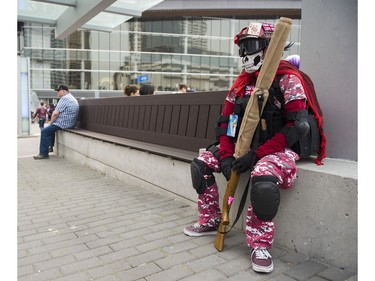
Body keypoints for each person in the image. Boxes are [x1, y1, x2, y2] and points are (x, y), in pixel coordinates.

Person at [183, 22, 326, 274]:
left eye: (250, 46)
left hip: (278, 149)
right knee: (201, 164)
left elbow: (295, 126)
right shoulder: (240, 84)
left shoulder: (288, 79)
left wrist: (257, 155)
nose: (245, 54)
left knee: (263, 179)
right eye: (242, 48)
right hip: (241, 148)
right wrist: (227, 156)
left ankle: (260, 244)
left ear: (269, 47)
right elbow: (227, 125)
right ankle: (211, 219)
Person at [33, 85, 79, 159]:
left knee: (45, 131)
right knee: (50, 129)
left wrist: (50, 123)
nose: (57, 93)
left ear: (63, 91)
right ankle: (50, 147)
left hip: (64, 123)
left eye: (58, 91)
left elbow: (55, 114)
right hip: (70, 122)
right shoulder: (71, 98)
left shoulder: (65, 98)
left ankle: (43, 154)